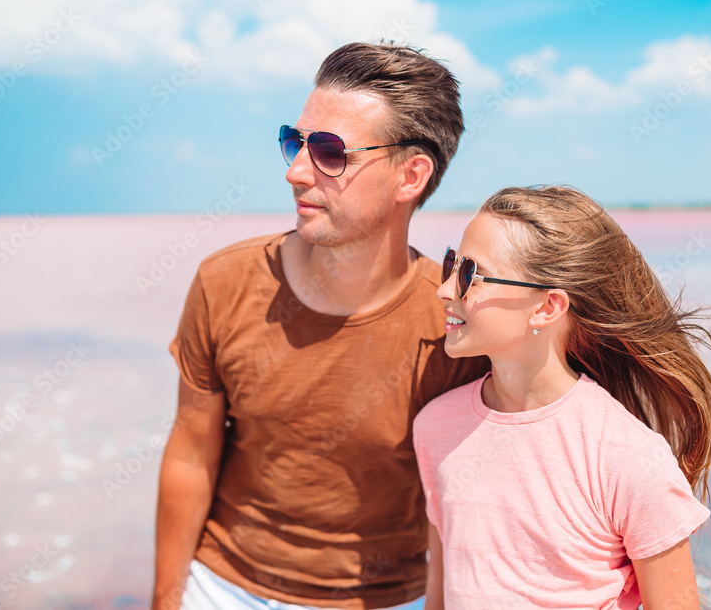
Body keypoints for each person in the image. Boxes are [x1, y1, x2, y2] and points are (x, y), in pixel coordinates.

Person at [153, 42, 488, 610]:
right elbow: (190, 454)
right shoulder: (225, 281)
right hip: (220, 587)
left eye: (331, 153)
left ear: (411, 175)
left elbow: (458, 503)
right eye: (295, 141)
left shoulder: (455, 319)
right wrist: (166, 601)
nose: (295, 171)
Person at [413, 185, 711, 609]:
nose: (445, 290)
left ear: (547, 307)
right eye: (451, 264)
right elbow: (440, 594)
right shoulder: (434, 426)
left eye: (467, 275)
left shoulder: (628, 457)